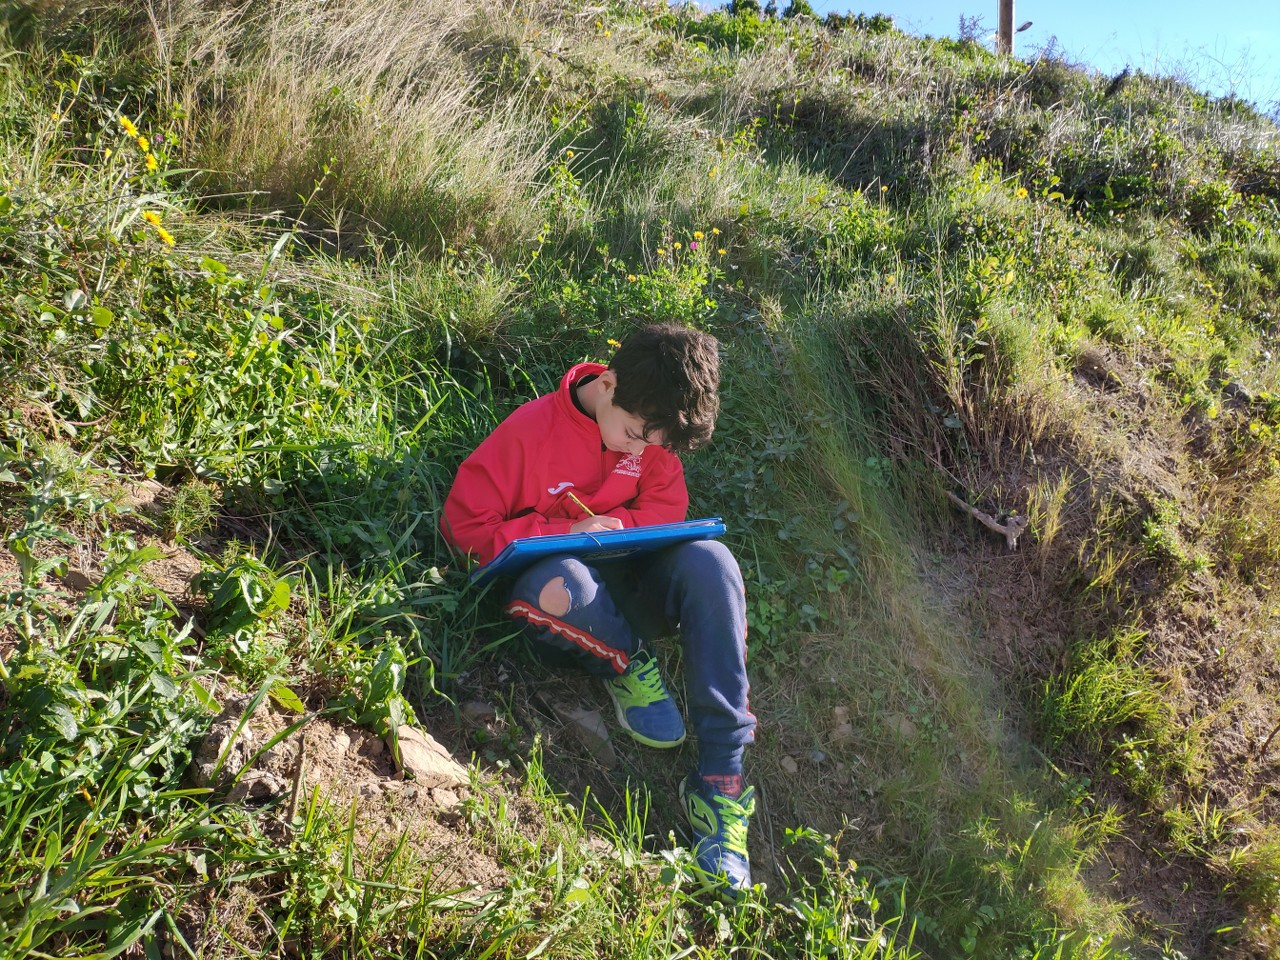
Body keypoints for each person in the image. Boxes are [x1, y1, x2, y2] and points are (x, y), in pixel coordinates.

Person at [441, 323, 758, 893]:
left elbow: (666, 507)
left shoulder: (649, 431)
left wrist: (621, 525)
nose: (640, 451)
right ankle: (627, 662)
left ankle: (721, 778)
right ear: (607, 385)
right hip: (563, 592)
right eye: (634, 435)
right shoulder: (529, 432)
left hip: (635, 577)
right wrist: (563, 532)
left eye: (654, 445)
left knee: (713, 562)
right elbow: (465, 527)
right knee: (558, 586)